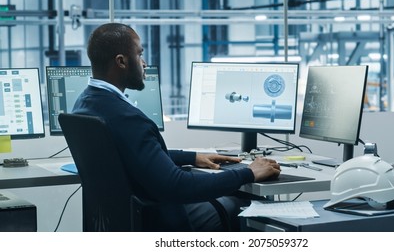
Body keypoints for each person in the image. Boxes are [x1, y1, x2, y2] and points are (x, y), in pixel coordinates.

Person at [72, 22, 281, 231]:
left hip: (126, 220)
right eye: (139, 54)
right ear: (121, 61)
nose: (144, 63)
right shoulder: (128, 119)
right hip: (161, 220)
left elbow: (130, 156)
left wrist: (192, 157)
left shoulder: (85, 104)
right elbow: (177, 186)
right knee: (247, 206)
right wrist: (249, 173)